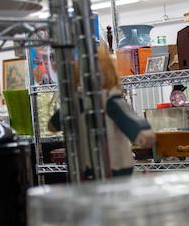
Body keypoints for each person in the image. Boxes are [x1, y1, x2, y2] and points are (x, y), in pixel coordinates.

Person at [49, 45, 155, 177]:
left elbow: (127, 118)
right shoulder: (77, 102)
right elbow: (62, 117)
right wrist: (55, 122)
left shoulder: (109, 101)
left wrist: (141, 133)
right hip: (86, 165)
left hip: (114, 164)